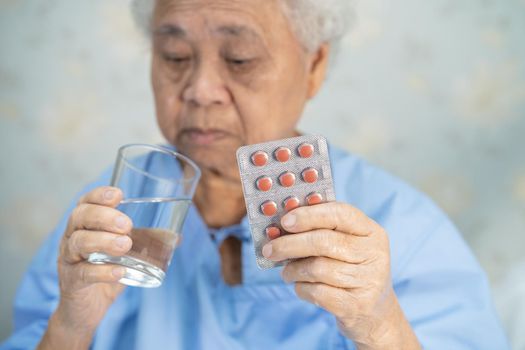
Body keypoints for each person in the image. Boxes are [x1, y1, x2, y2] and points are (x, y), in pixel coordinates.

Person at [1, 1, 509, 349]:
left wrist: (380, 324)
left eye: (239, 58)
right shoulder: (113, 212)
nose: (200, 89)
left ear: (314, 66)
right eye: (175, 56)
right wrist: (70, 324)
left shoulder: (402, 225)